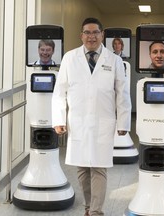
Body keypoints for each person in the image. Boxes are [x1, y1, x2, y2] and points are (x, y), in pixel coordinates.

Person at [51, 17, 131, 216]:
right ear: (81, 35)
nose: (91, 36)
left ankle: (96, 211)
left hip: (103, 120)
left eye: (95, 32)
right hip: (78, 120)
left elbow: (122, 93)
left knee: (99, 167)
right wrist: (59, 119)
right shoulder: (70, 58)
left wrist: (124, 121)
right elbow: (60, 91)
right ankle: (88, 206)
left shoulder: (114, 60)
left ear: (102, 35)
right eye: (87, 32)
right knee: (82, 168)